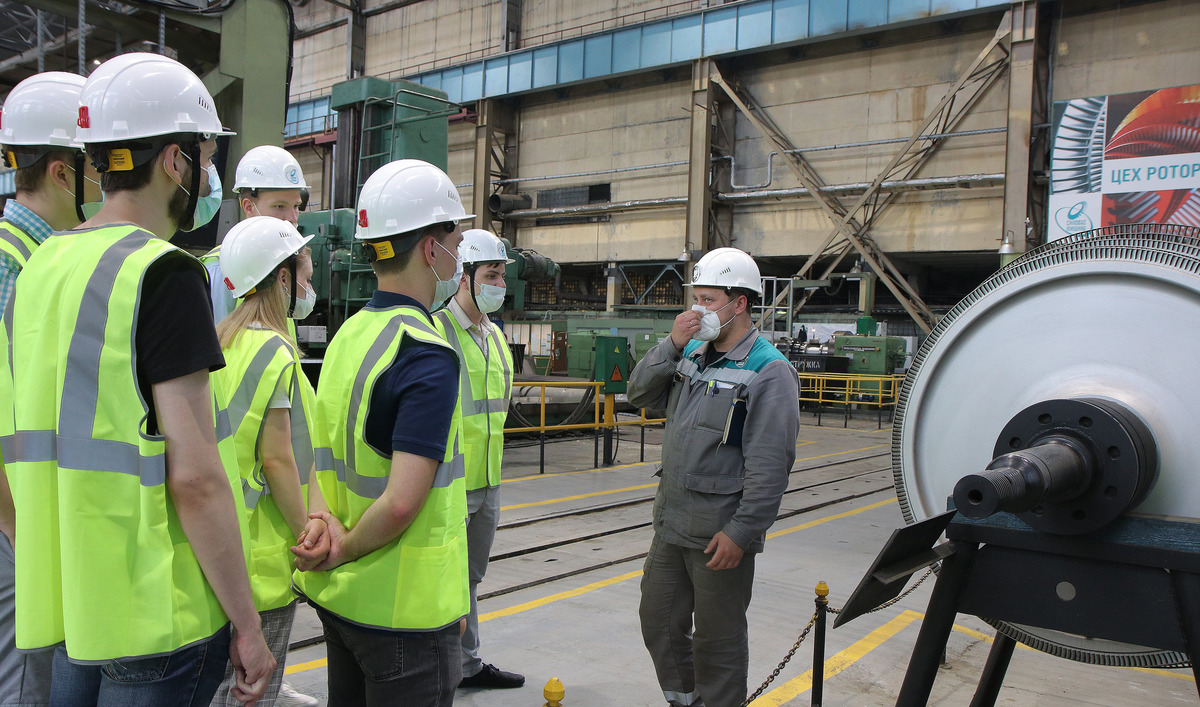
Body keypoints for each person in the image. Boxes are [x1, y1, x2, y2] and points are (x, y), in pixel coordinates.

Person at [7, 53, 274, 706]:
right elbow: (196, 476)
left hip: (75, 598)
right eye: (206, 157)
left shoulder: (40, 267)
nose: (207, 175)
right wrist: (246, 623)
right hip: (157, 612)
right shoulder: (165, 274)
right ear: (176, 162)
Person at [292, 158, 471, 706]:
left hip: (345, 603)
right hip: (405, 612)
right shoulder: (426, 353)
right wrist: (344, 550)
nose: (459, 255)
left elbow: (323, 455)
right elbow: (400, 504)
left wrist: (333, 542)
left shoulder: (351, 333)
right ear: (428, 249)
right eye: (454, 240)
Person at [627, 247, 800, 707]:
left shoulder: (768, 370)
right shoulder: (692, 356)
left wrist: (742, 532)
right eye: (695, 299)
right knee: (658, 621)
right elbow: (639, 393)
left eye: (708, 300)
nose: (697, 310)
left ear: (739, 303)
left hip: (718, 532)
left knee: (717, 642)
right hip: (672, 524)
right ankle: (685, 700)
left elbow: (771, 465)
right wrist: (672, 344)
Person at [0, 69, 101, 707]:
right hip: (12, 528)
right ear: (65, 173)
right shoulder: (16, 265)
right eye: (102, 167)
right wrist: (18, 532)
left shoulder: (35, 256)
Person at [210, 216, 323, 707]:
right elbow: (277, 460)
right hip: (261, 557)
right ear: (281, 278)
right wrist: (305, 535)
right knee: (254, 689)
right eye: (304, 275)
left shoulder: (219, 341)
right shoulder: (276, 351)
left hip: (216, 544)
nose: (308, 286)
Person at [431, 229, 524, 690]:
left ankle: (465, 666)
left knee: (469, 578)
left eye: (502, 275)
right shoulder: (438, 332)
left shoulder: (494, 337)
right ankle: (443, 670)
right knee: (445, 578)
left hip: (488, 482)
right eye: (491, 274)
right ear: (464, 278)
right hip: (452, 482)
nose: (499, 283)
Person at [201, 145, 308, 324]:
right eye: (279, 206)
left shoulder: (281, 264)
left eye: (296, 206)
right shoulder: (220, 269)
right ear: (248, 207)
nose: (292, 218)